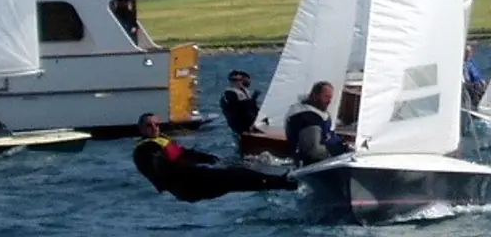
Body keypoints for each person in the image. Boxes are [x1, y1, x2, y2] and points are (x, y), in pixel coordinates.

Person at [132, 113, 296, 202]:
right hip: (188, 185)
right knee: (234, 176)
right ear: (141, 128)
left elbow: (185, 154)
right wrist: (191, 170)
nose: (154, 128)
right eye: (149, 125)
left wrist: (211, 159)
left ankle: (280, 183)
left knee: (237, 175)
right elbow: (160, 168)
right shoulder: (145, 150)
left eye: (157, 124)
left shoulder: (161, 141)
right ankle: (284, 183)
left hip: (194, 179)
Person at [285, 82, 351, 166]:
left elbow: (326, 134)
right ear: (315, 96)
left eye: (330, 97)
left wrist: (341, 142)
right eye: (326, 97)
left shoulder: (317, 111)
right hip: (309, 166)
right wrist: (339, 150)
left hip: (323, 159)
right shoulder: (308, 119)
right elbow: (313, 151)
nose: (329, 101)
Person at [220, 70, 259, 141]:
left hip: (251, 123)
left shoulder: (245, 91)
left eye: (240, 80)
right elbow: (237, 110)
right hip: (240, 126)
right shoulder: (229, 94)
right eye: (234, 80)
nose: (238, 82)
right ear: (230, 81)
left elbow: (252, 107)